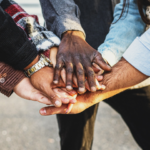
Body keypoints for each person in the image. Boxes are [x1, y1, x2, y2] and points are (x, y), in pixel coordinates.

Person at [39, 0, 150, 150]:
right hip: (74, 59)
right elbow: (133, 8)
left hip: (133, 63)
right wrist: (70, 30)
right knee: (75, 143)